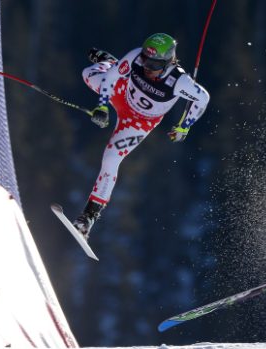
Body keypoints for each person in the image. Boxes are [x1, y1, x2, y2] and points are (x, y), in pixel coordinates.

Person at [74, 33, 210, 238]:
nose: (147, 68)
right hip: (121, 94)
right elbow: (111, 79)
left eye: (154, 65)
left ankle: (88, 218)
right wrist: (102, 106)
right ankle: (112, 62)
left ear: (168, 62)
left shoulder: (180, 81)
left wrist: (184, 127)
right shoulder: (136, 57)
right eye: (146, 61)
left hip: (139, 122)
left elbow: (203, 99)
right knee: (88, 73)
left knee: (111, 158)